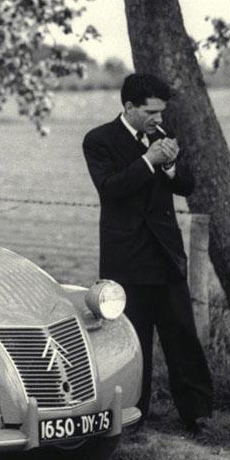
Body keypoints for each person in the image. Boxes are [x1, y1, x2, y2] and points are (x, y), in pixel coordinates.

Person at [82, 73, 213, 433]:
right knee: (132, 339)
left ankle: (198, 413)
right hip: (127, 258)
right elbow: (110, 189)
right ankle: (132, 414)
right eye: (151, 112)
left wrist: (170, 164)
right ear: (128, 107)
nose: (159, 119)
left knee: (182, 335)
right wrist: (149, 161)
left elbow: (187, 184)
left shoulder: (162, 138)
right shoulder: (99, 140)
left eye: (161, 112)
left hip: (166, 255)